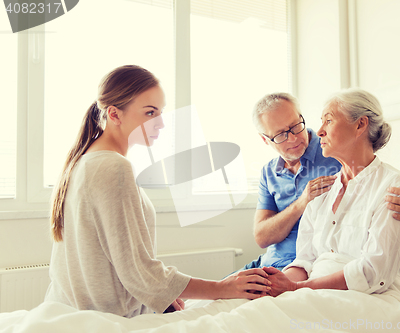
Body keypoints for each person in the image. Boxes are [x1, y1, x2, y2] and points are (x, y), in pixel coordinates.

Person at [44, 65, 271, 318]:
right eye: (150, 112)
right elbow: (139, 272)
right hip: (105, 318)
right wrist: (223, 287)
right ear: (114, 114)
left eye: (161, 112)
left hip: (71, 311)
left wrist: (164, 295)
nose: (161, 123)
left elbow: (123, 266)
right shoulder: (113, 167)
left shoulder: (84, 160)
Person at [262, 88, 400, 297]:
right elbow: (305, 261)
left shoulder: (395, 188)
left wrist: (296, 288)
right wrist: (278, 283)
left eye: (329, 120)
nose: (319, 131)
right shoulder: (320, 192)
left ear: (360, 124)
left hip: (376, 298)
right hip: (314, 293)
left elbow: (373, 274)